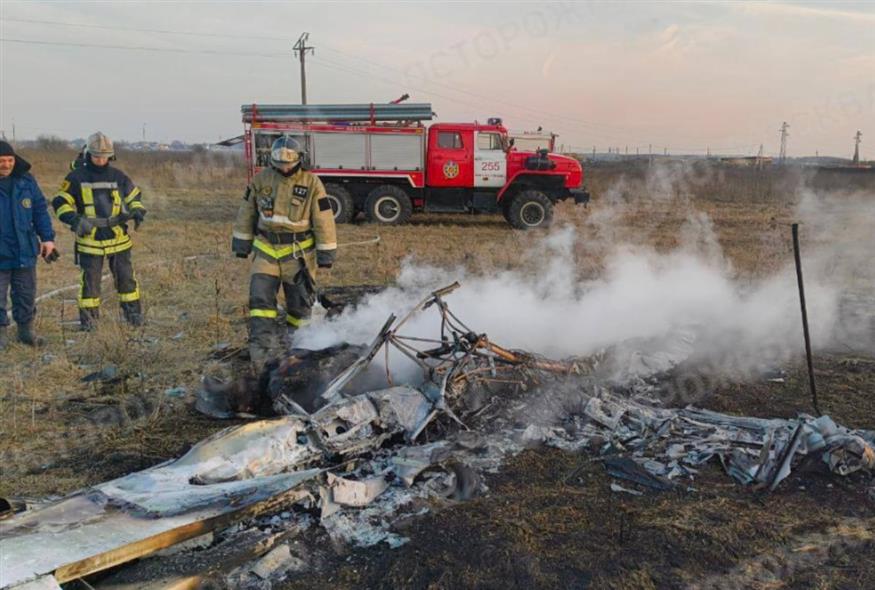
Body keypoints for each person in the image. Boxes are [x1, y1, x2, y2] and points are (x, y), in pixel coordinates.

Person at [232, 135, 337, 366]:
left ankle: (299, 352)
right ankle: (262, 357)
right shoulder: (261, 180)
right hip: (266, 252)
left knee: (299, 307)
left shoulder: (311, 183)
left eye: (289, 162)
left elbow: (324, 220)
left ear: (299, 159)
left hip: (298, 256)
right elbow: (246, 211)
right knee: (260, 303)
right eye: (280, 161)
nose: (284, 166)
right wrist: (241, 243)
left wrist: (326, 253)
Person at [51, 132, 146, 329]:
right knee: (90, 283)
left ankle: (133, 315)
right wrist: (75, 219)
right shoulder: (76, 177)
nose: (100, 160)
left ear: (111, 156)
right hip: (89, 239)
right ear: (88, 154)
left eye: (104, 156)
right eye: (96, 156)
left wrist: (137, 211)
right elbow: (61, 202)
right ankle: (89, 322)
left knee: (126, 279)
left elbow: (133, 196)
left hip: (118, 237)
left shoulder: (119, 176)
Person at [0, 140, 56, 349]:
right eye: (1, 161)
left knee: (25, 294)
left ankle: (26, 331)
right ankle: (1, 335)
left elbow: (40, 210)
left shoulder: (26, 181)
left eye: (9, 160)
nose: (6, 165)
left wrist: (48, 239)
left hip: (25, 250)